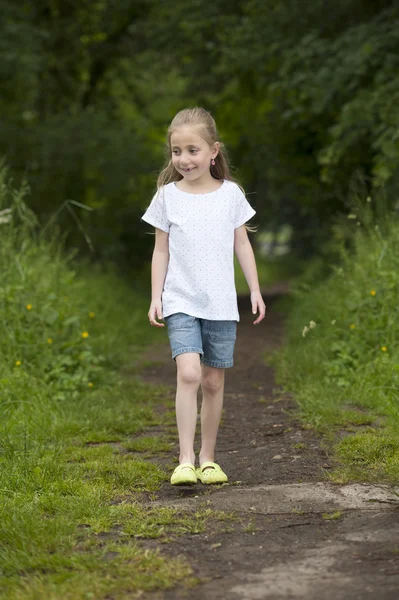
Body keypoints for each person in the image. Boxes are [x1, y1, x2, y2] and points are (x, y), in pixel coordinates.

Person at [141, 107, 266, 486]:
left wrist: (256, 290)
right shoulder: (167, 197)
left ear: (213, 151)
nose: (183, 159)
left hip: (221, 303)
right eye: (176, 151)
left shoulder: (230, 195)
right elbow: (160, 250)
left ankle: (208, 459)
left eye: (192, 150)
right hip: (180, 299)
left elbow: (242, 244)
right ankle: (183, 459)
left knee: (213, 381)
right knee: (189, 372)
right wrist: (156, 295)